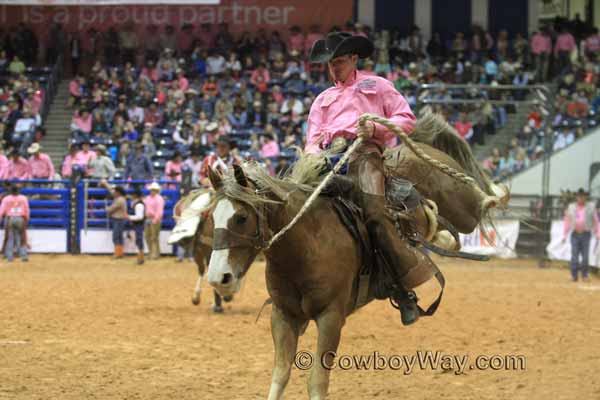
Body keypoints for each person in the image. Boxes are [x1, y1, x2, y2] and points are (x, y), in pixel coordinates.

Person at [306, 32, 436, 325]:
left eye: (339, 61)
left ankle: (403, 290)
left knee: (375, 213)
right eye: (330, 64)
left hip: (364, 154)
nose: (334, 68)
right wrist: (313, 155)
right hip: (326, 160)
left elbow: (406, 118)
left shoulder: (376, 86)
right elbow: (312, 139)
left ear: (354, 59)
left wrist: (376, 128)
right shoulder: (322, 99)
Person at [562, 188, 600, 282]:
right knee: (574, 256)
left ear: (585, 197)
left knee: (585, 256)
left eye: (583, 196)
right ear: (577, 197)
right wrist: (564, 235)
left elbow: (596, 221)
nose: (581, 198)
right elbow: (567, 221)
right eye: (579, 196)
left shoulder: (591, 207)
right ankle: (573, 276)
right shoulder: (571, 207)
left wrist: (597, 232)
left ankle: (584, 276)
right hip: (575, 234)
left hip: (586, 234)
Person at [0, 185, 29, 262]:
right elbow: (26, 209)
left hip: (10, 218)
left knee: (10, 238)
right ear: (18, 191)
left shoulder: (6, 199)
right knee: (22, 237)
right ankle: (24, 255)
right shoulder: (23, 198)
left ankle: (9, 257)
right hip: (20, 218)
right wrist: (26, 219)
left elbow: (1, 211)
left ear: (11, 191)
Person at [102, 182, 128, 259]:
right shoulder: (121, 198)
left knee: (116, 237)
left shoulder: (119, 200)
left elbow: (111, 209)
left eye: (115, 191)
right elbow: (111, 190)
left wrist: (106, 208)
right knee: (119, 237)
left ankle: (118, 253)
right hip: (120, 219)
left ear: (118, 192)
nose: (114, 193)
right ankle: (120, 253)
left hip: (118, 220)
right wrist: (105, 184)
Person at [144, 182, 164, 260]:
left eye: (154, 190)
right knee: (147, 236)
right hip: (148, 218)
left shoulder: (159, 198)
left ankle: (155, 253)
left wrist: (156, 219)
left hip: (155, 219)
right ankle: (151, 252)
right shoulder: (148, 198)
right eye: (151, 190)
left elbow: (159, 211)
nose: (152, 191)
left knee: (154, 237)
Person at [128, 188, 146, 265]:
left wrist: (129, 217)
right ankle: (140, 257)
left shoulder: (138, 204)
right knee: (138, 240)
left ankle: (140, 258)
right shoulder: (137, 203)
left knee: (139, 240)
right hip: (138, 224)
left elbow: (140, 217)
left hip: (139, 224)